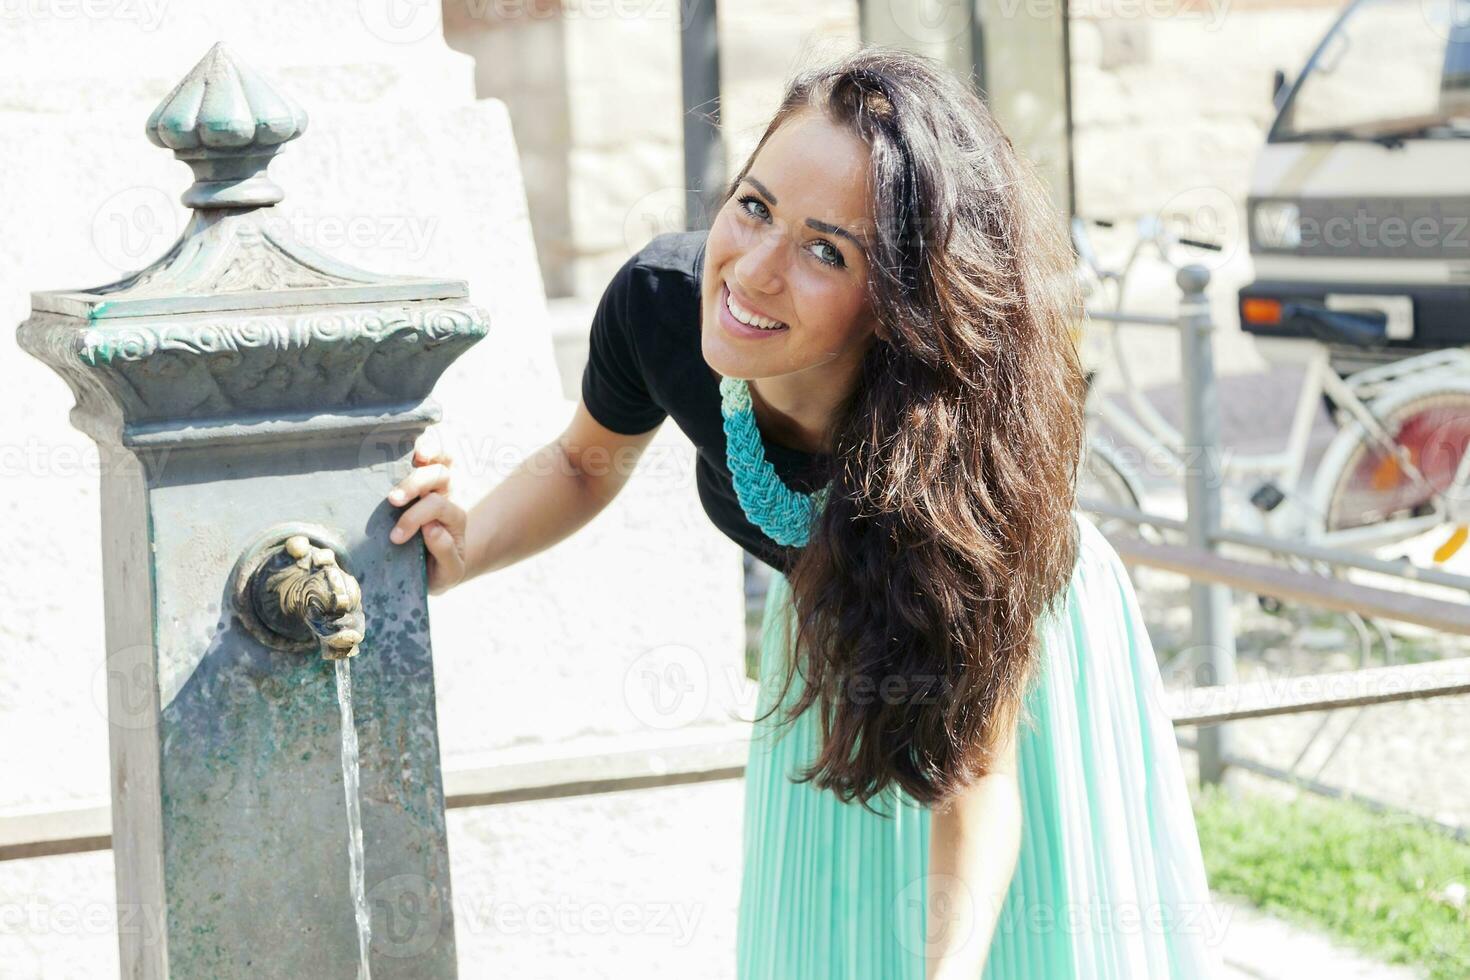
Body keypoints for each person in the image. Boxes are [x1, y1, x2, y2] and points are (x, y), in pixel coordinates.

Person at [384, 44, 1225, 980]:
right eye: (753, 206)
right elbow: (585, 465)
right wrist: (470, 543)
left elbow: (977, 788)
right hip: (827, 646)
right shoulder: (663, 308)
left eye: (826, 250)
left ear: (901, 300)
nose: (753, 271)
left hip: (1001, 644)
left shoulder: (939, 461)